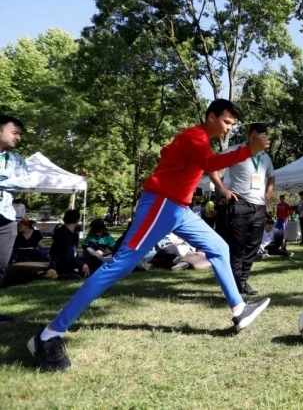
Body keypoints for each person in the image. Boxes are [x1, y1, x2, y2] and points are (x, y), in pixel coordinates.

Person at [26, 99, 271, 372]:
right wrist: (250, 150)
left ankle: (239, 310)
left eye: (232, 125)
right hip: (161, 204)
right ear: (211, 117)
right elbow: (210, 162)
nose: (228, 129)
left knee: (219, 247)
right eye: (226, 122)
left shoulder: (197, 140)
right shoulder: (194, 136)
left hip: (179, 208)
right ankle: (49, 334)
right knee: (120, 265)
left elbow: (181, 156)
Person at [210, 123, 275, 297]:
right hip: (239, 203)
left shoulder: (265, 157)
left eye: (262, 137)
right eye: (255, 136)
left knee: (253, 246)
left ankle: (242, 280)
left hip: (259, 206)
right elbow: (212, 166)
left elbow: (272, 176)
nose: (259, 139)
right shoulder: (235, 151)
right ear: (248, 136)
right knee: (237, 247)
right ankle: (236, 285)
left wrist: (268, 191)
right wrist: (223, 189)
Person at [0, 115, 31, 325]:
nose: (18, 137)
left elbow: (24, 182)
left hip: (5, 220)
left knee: (1, 265)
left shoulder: (17, 160)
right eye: (15, 132)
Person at [50, 210, 103, 278]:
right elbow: (68, 255)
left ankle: (81, 272)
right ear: (77, 220)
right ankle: (73, 273)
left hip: (70, 260)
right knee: (96, 265)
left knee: (95, 260)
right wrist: (82, 264)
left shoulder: (71, 233)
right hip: (62, 263)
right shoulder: (65, 234)